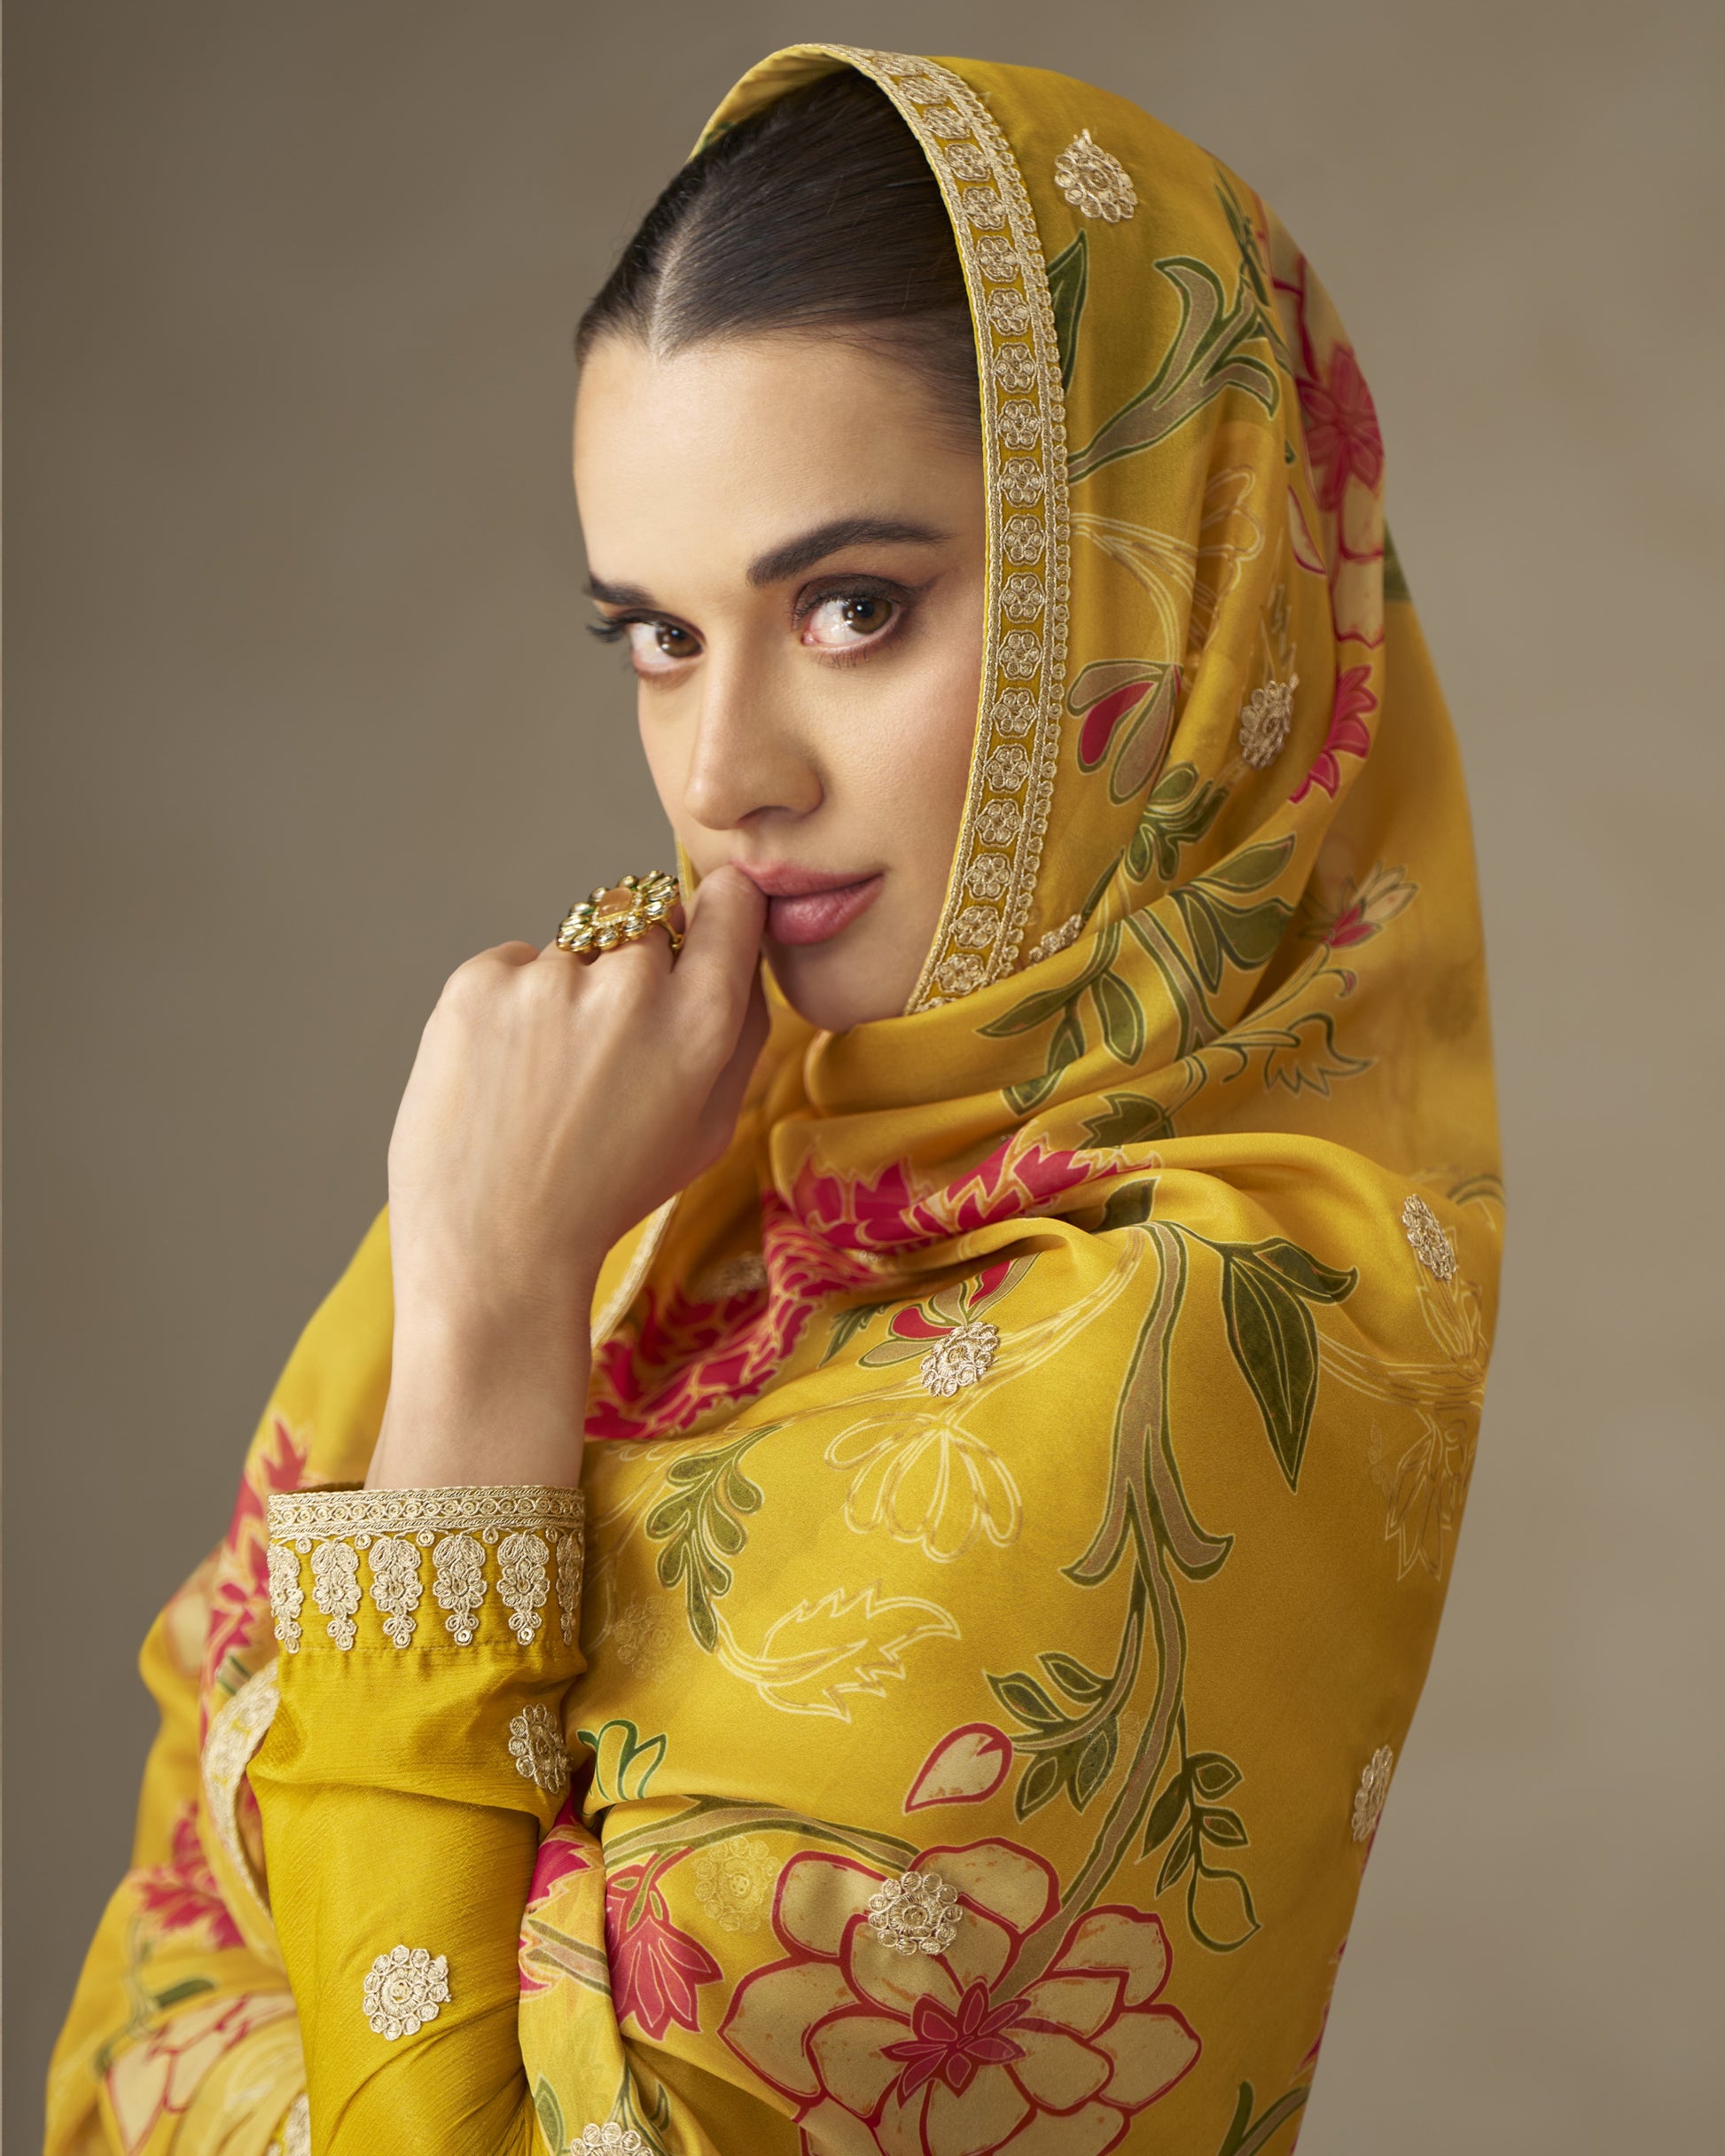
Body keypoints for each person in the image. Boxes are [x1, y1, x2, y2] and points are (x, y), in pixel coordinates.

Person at [47, 43, 1502, 2156]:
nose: (727, 767)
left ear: (1166, 586)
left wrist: (478, 1323)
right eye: (653, 633)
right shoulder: (655, 1171)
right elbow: (134, 1984)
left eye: (850, 607)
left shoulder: (1172, 1336)